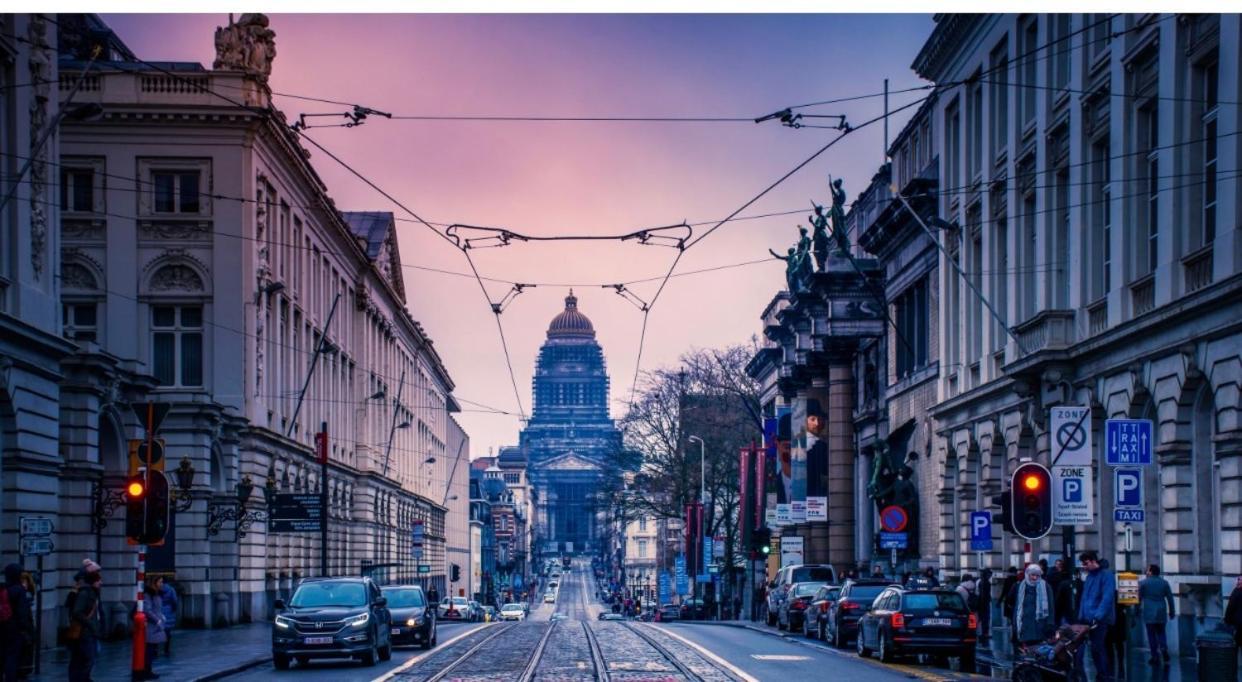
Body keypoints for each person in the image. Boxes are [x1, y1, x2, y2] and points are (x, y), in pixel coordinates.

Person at [1076, 550, 1116, 681]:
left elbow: (1107, 597)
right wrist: (1081, 615)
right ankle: (1102, 673)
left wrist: (1098, 616)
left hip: (1099, 619)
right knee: (1093, 649)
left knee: (1097, 648)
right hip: (1087, 618)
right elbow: (1084, 597)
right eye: (1083, 564)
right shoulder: (1089, 577)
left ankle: (1104, 674)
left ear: (1094, 561)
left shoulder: (1106, 575)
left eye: (1086, 563)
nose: (1085, 567)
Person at [68, 561, 102, 682]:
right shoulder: (84, 592)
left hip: (89, 630)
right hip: (84, 631)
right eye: (98, 579)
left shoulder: (92, 592)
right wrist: (91, 624)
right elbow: (77, 612)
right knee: (86, 658)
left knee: (86, 658)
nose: (101, 582)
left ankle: (83, 678)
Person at [1, 563, 35, 682]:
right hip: (14, 628)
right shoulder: (19, 590)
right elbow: (23, 613)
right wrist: (27, 630)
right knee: (12, 656)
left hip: (2, 626)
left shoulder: (3, 588)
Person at [1008, 564, 1055, 648]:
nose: (1035, 578)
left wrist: (1050, 624)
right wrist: (1015, 624)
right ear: (1027, 574)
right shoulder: (1021, 587)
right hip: (1025, 625)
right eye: (1032, 575)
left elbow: (1050, 607)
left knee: (1039, 651)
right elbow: (1017, 607)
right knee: (1027, 653)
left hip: (1040, 626)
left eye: (1037, 575)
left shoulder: (1046, 587)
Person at [1138, 564, 1174, 665]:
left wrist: (1136, 611)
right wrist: (1172, 612)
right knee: (1161, 632)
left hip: (1149, 612)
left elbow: (1138, 599)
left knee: (1151, 635)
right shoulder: (1164, 583)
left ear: (1150, 572)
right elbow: (1170, 598)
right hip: (1161, 611)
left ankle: (1154, 656)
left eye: (1147, 571)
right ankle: (1163, 648)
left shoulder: (1143, 583)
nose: (1146, 572)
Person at [142, 576, 167, 680]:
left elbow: (158, 608)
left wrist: (162, 617)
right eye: (160, 582)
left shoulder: (158, 593)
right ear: (154, 583)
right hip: (151, 626)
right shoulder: (148, 594)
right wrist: (157, 620)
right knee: (149, 649)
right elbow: (147, 610)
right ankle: (146, 671)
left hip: (157, 625)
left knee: (152, 650)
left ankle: (149, 670)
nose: (161, 584)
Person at [159, 578, 179, 657]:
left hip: (160, 610)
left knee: (158, 630)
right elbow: (174, 600)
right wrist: (173, 609)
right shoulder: (171, 589)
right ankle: (166, 649)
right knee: (167, 632)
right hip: (169, 610)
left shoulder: (158, 589)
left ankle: (155, 649)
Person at [1224, 575, 1242, 655]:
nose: (1238, 582)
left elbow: (1230, 607)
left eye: (1239, 580)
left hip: (1239, 624)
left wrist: (1227, 620)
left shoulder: (1237, 591)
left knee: (1236, 644)